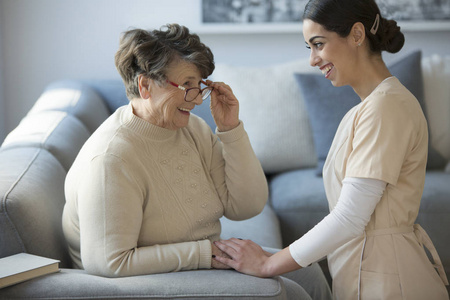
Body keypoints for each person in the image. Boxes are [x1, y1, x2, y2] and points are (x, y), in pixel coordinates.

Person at [62, 23, 331, 299]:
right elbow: (109, 262)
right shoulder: (111, 158)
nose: (197, 99)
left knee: (308, 272)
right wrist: (204, 253)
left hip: (193, 265)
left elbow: (245, 206)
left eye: (198, 85)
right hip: (136, 284)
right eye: (186, 85)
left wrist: (231, 128)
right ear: (145, 85)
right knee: (291, 292)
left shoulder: (193, 129)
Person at [213, 1, 450, 299]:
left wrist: (269, 263)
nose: (312, 60)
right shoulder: (368, 108)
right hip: (371, 270)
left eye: (319, 44)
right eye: (309, 47)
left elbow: (350, 217)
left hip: (389, 281)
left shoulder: (386, 108)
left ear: (357, 35)